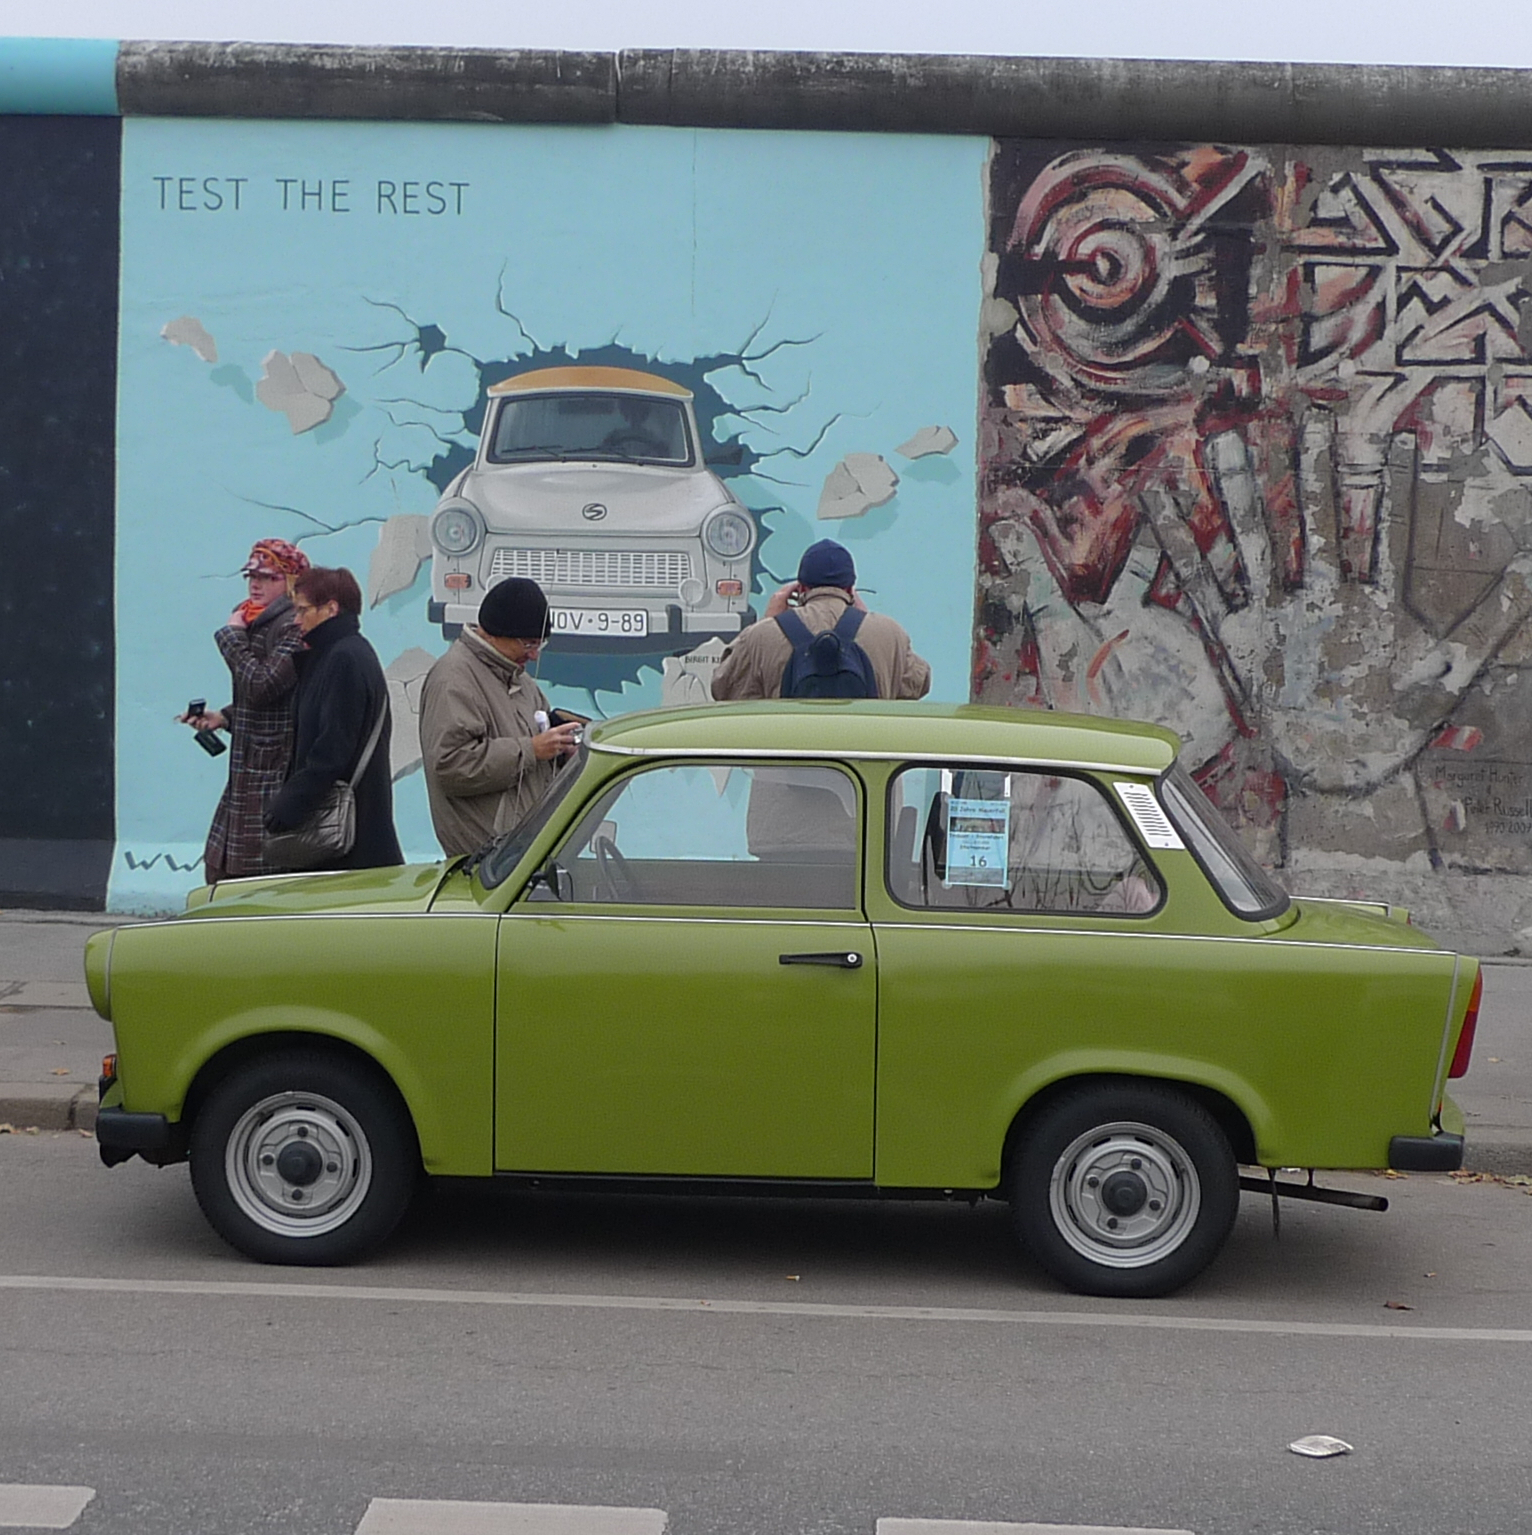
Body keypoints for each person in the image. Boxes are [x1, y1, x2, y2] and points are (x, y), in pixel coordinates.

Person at [418, 576, 582, 858]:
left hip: (522, 856)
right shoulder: (453, 680)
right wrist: (530, 750)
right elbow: (451, 766)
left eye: (540, 644)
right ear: (495, 633)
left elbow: (536, 762)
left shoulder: (521, 681)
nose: (534, 655)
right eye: (528, 644)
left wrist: (562, 753)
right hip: (486, 863)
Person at [183, 537, 310, 884]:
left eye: (268, 577)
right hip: (248, 769)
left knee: (254, 875)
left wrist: (231, 638)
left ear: (290, 581)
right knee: (220, 868)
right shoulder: (254, 620)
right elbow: (262, 699)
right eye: (251, 576)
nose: (256, 584)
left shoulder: (294, 626)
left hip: (272, 773)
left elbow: (263, 685)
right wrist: (225, 717)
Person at [263, 566, 403, 871]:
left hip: (349, 841)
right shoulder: (337, 653)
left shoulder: (343, 658)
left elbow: (332, 750)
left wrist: (288, 805)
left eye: (303, 610)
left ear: (331, 609)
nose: (296, 620)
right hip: (350, 836)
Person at [711, 538, 932, 703]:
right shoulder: (891, 633)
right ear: (850, 589)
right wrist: (865, 619)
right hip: (863, 752)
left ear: (801, 589)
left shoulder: (761, 636)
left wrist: (768, 621)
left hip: (789, 752)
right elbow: (919, 684)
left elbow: (723, 687)